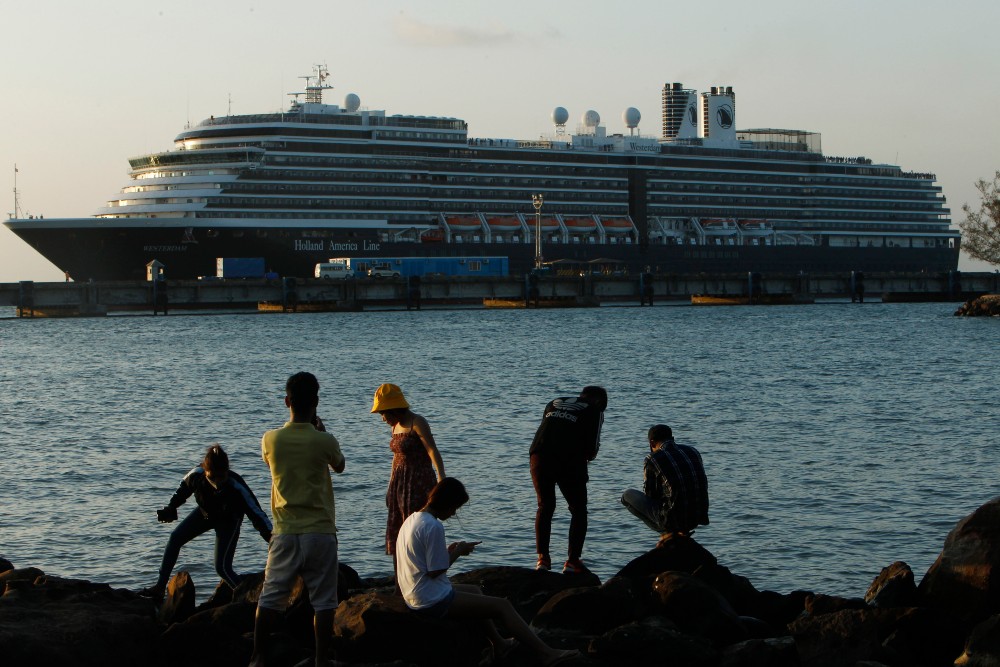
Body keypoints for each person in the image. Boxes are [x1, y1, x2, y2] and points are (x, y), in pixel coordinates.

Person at [396, 477, 579, 666]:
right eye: (454, 508)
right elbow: (436, 570)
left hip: (412, 593)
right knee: (503, 606)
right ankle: (547, 653)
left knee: (475, 590)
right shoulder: (433, 526)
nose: (453, 513)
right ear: (446, 503)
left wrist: (447, 552)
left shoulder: (412, 520)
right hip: (430, 600)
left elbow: (421, 561)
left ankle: (499, 643)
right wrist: (458, 552)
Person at [249, 372, 346, 667]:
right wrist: (321, 432)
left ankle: (258, 656)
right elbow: (340, 466)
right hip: (320, 531)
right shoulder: (325, 440)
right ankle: (320, 660)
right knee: (324, 601)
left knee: (270, 597)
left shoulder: (270, 439)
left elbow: (270, 462)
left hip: (285, 530)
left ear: (287, 401)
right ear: (316, 402)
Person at [140, 444, 271, 602]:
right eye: (212, 477)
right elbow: (182, 491)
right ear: (205, 470)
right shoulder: (197, 475)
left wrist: (272, 538)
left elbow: (257, 514)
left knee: (222, 568)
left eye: (221, 477)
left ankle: (249, 600)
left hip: (228, 522)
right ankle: (160, 588)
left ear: (227, 472)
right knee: (175, 538)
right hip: (204, 514)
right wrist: (171, 508)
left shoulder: (236, 486)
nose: (217, 482)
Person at [529, 386, 607, 574]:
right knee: (578, 510)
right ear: (600, 402)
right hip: (568, 458)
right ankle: (572, 561)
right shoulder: (595, 410)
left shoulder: (553, 403)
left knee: (545, 506)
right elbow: (592, 449)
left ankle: (542, 560)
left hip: (538, 455)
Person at [370, 383, 445, 558]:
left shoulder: (417, 422)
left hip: (418, 482)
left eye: (383, 413)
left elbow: (432, 450)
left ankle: (421, 566)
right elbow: (396, 458)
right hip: (400, 483)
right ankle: (400, 572)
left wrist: (441, 478)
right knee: (399, 530)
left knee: (417, 527)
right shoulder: (395, 426)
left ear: (394, 409)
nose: (382, 418)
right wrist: (390, 487)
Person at [620, 424, 709, 543]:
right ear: (672, 438)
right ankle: (681, 533)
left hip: (672, 520)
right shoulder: (693, 451)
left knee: (627, 496)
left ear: (652, 443)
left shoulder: (652, 458)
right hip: (697, 517)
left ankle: (669, 534)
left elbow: (650, 495)